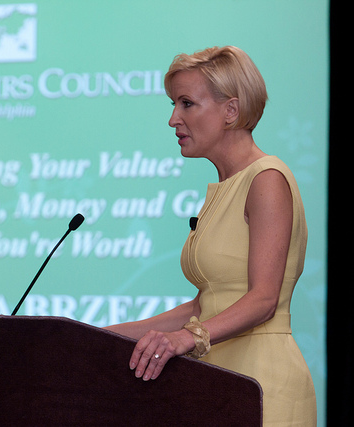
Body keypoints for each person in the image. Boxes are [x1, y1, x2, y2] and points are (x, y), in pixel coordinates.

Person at [105, 46, 316, 425]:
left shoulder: (267, 179)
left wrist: (187, 338)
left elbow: (263, 299)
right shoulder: (225, 187)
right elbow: (204, 307)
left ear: (230, 111)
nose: (173, 119)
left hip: (263, 383)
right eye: (173, 104)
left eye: (186, 104)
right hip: (218, 381)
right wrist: (99, 336)